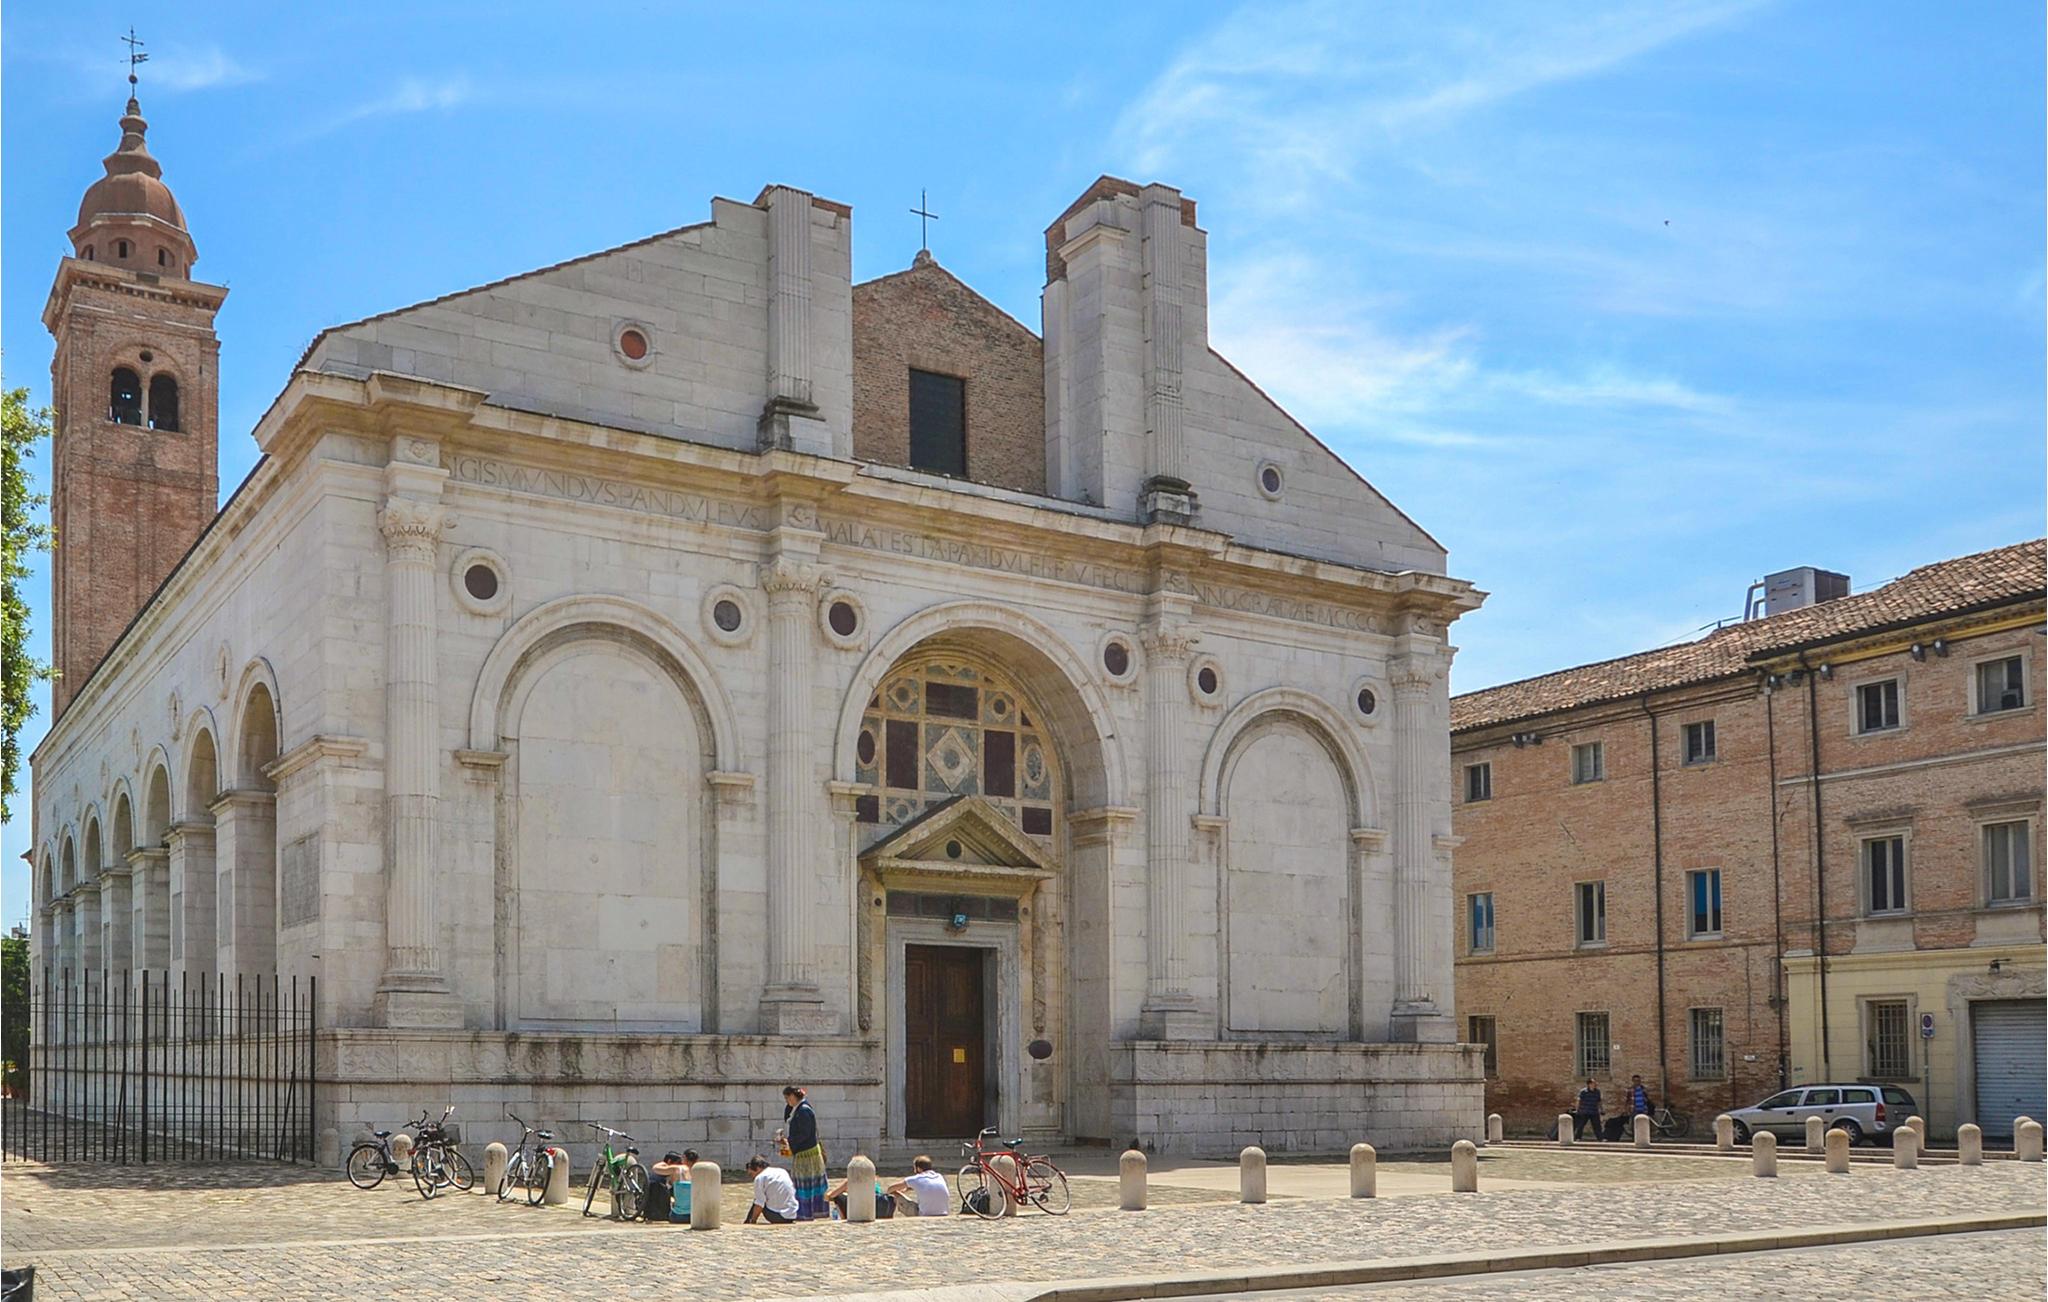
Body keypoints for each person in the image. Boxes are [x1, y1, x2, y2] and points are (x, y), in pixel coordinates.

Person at [781, 1085, 829, 1221]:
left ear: (793, 1096)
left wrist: (790, 1142)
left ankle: (808, 1212)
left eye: (787, 1098)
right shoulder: (797, 1109)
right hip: (803, 1152)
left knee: (806, 1183)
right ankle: (806, 1212)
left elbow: (805, 1133)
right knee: (804, 1183)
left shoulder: (804, 1111)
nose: (787, 1101)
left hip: (808, 1154)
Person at [886, 1155, 952, 1217]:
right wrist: (906, 1189)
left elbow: (890, 1189)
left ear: (918, 1168)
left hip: (924, 1214)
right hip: (943, 1213)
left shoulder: (916, 1179)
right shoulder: (939, 1176)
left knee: (894, 1194)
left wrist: (897, 1192)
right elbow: (926, 1186)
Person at [744, 1155, 799, 1225]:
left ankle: (749, 1222)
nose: (753, 1177)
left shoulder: (760, 1178)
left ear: (757, 1168)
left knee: (757, 1201)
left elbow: (759, 1204)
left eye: (751, 1174)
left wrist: (753, 1221)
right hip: (793, 1214)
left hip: (778, 1216)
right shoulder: (782, 1171)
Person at [825, 1171, 896, 1220]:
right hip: (877, 1206)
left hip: (860, 1208)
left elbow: (830, 1196)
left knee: (838, 1197)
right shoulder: (874, 1181)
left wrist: (842, 1190)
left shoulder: (851, 1180)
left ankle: (843, 1219)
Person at [650, 1149, 697, 1224]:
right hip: (695, 1216)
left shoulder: (677, 1169)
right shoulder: (700, 1171)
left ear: (684, 1158)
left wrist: (665, 1163)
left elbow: (655, 1168)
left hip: (678, 1216)